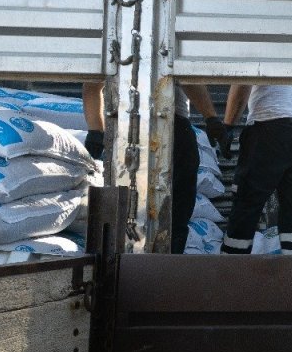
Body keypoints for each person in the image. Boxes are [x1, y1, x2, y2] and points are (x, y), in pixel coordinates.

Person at [82, 82, 225, 254]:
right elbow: (188, 80)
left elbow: (92, 85)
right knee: (174, 209)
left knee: (133, 206)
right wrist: (210, 117)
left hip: (132, 129)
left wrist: (96, 130)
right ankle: (164, 261)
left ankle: (130, 261)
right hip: (167, 126)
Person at [217, 83, 292, 255]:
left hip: (265, 127)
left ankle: (231, 263)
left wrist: (228, 126)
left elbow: (242, 85)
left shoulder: (261, 61)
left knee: (247, 203)